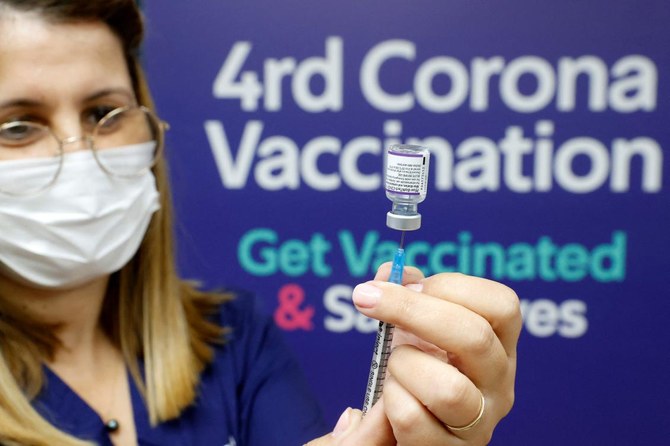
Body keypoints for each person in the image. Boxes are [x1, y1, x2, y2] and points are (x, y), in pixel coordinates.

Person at [0, 1, 521, 445]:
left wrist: (409, 427)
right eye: (18, 126)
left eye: (103, 113)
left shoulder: (231, 342)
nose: (80, 156)